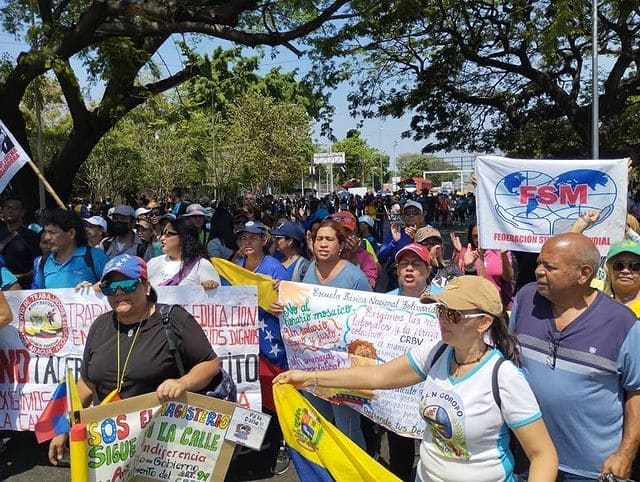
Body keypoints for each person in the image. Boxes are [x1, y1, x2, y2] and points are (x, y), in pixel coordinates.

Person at [275, 276, 558, 482]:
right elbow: (376, 375)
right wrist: (309, 377)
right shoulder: (436, 353)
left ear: (483, 322)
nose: (442, 319)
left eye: (453, 314)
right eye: (439, 310)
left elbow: (543, 455)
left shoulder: (505, 377)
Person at [47, 254, 220, 465]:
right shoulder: (100, 326)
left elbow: (210, 363)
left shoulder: (173, 319)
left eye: (128, 284)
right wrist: (64, 427)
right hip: (110, 445)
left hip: (163, 444)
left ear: (146, 286)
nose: (119, 292)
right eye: (110, 286)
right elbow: (87, 383)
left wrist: (182, 383)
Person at [510, 233, 640, 480]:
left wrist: (625, 454)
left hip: (591, 469)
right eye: (539, 263)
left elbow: (637, 391)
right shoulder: (526, 299)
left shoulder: (623, 323)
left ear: (584, 274)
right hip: (528, 455)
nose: (539, 271)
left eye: (550, 267)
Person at [33, 209, 108, 289]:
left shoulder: (95, 256)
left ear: (71, 233)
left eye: (52, 232)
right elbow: (38, 295)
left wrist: (96, 288)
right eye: (46, 232)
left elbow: (113, 286)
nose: (47, 237)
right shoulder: (43, 262)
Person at [453, 223, 515, 307]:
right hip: (474, 304)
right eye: (475, 236)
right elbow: (458, 280)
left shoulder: (500, 251)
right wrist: (458, 253)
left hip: (499, 305)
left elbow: (509, 278)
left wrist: (503, 256)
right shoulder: (466, 252)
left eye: (482, 235)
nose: (478, 239)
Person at [147, 218, 220, 289]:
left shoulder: (202, 265)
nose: (162, 238)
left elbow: (215, 298)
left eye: (168, 234)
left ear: (183, 237)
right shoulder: (153, 263)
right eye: (162, 234)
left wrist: (209, 286)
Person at [0, 195, 41, 288]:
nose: (10, 210)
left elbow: (38, 265)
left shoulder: (33, 236)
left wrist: (22, 276)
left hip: (22, 288)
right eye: (7, 207)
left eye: (15, 208)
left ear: (23, 212)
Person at [331, 211, 378, 288]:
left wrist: (353, 258)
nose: (342, 235)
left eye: (347, 231)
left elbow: (369, 286)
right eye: (338, 232)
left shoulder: (366, 257)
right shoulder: (326, 253)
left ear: (355, 234)